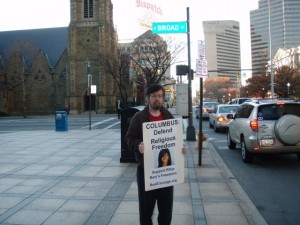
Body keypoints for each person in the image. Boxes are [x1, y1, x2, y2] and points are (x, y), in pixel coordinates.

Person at [125, 84, 187, 225]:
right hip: (146, 171)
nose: (157, 99)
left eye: (159, 96)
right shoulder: (139, 117)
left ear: (163, 98)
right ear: (148, 98)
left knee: (166, 212)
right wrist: (138, 145)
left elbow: (174, 140)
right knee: (146, 212)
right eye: (153, 96)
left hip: (166, 173)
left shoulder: (168, 116)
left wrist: (180, 150)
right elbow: (129, 137)